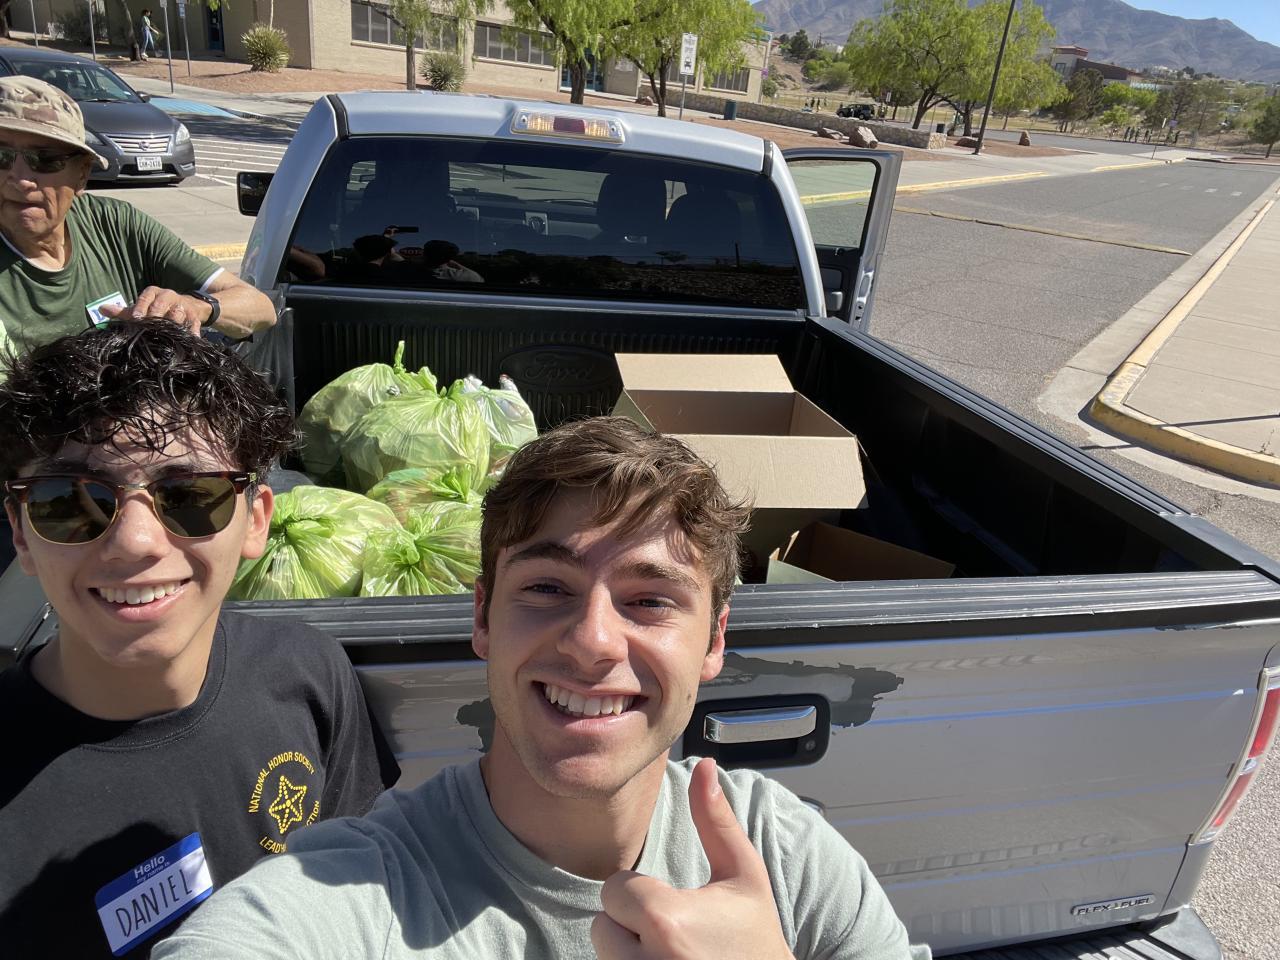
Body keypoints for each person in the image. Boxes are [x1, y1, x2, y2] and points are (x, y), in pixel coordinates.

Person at [154, 416, 921, 960]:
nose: (592, 641)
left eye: (650, 600)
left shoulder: (783, 853)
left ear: (714, 642)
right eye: (548, 588)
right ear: (482, 617)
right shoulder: (357, 893)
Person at [0, 319, 401, 959]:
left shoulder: (308, 672)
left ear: (256, 521)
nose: (135, 543)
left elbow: (353, 883)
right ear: (21, 532)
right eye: (70, 500)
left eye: (189, 495)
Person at [0, 76, 276, 364]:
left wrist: (194, 307)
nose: (20, 179)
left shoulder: (114, 225)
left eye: (45, 159)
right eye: (2, 156)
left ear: (82, 174)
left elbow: (261, 309)